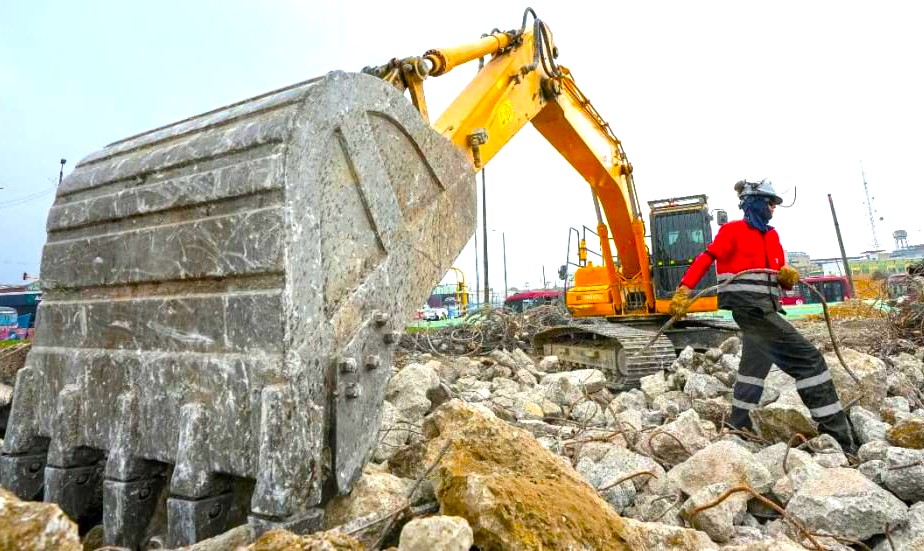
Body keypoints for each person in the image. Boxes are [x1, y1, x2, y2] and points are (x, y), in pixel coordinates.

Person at [670, 179, 857, 453]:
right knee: (810, 362)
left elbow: (778, 278)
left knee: (753, 368)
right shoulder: (732, 231)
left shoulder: (772, 236)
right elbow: (706, 258)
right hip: (749, 308)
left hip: (766, 308)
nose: (773, 208)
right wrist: (684, 289)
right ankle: (838, 438)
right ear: (755, 203)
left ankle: (738, 424)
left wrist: (787, 279)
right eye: (770, 203)